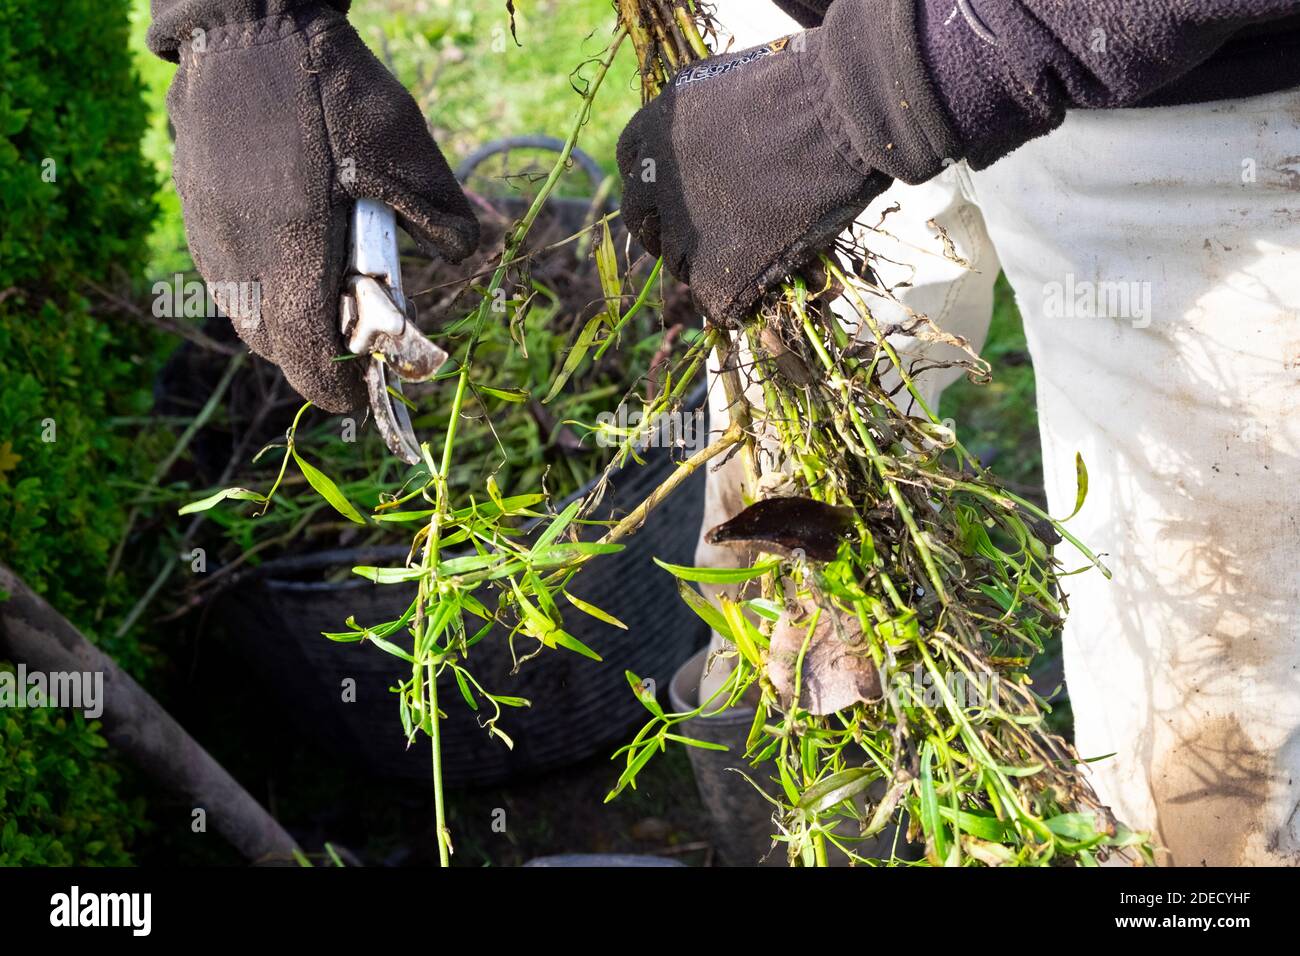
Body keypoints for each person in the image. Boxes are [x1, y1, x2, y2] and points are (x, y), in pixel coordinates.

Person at [149, 0, 1300, 865]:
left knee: (1222, 758)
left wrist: (869, 95)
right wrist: (246, 26)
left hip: (1198, 95)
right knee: (783, 604)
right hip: (784, 44)